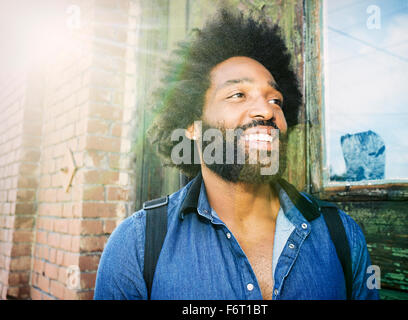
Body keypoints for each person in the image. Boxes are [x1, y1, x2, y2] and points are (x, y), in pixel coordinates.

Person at [94, 8, 379, 300]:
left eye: (275, 100)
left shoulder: (343, 237)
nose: (267, 111)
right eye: (238, 95)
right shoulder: (137, 246)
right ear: (192, 124)